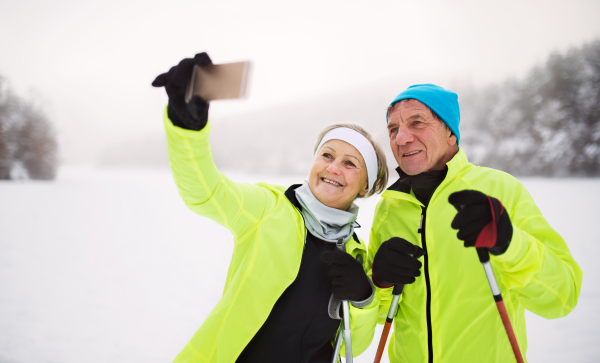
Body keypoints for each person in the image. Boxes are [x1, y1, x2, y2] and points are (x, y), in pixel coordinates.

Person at [151, 53, 388, 363]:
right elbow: (205, 192)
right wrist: (188, 129)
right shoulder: (269, 208)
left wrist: (363, 298)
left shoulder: (356, 254)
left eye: (349, 163)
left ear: (366, 186)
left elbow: (350, 347)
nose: (333, 168)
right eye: (327, 155)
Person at [364, 84, 582, 362]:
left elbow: (562, 296)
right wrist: (379, 282)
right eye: (393, 129)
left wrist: (510, 244)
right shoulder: (390, 208)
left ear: (450, 134)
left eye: (417, 122)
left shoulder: (500, 189)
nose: (401, 138)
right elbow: (381, 315)